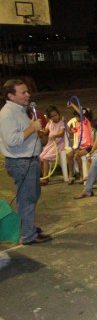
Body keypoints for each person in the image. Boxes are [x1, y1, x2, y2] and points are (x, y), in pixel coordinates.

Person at [0, 79, 51, 244]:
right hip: (21, 163)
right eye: (23, 92)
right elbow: (12, 140)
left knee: (31, 196)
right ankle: (28, 235)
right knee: (26, 199)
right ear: (11, 96)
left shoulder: (20, 110)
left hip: (29, 161)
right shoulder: (7, 114)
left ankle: (28, 228)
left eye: (27, 91)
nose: (28, 95)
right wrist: (32, 128)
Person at [38, 106, 65, 185]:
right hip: (50, 144)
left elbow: (62, 133)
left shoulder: (62, 122)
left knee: (46, 158)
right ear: (50, 117)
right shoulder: (50, 123)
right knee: (40, 157)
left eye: (56, 115)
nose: (55, 117)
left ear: (58, 114)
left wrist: (55, 136)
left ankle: (45, 179)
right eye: (52, 116)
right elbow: (45, 132)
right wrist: (41, 131)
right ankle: (45, 176)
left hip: (58, 145)